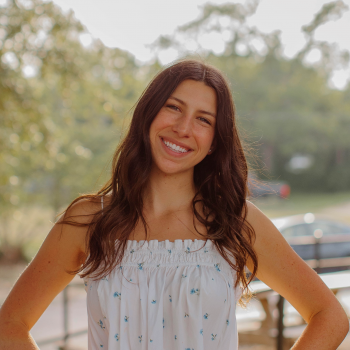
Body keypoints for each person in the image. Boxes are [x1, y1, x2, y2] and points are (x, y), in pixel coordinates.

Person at [0, 59, 348, 350]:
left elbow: (329, 316)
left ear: (214, 141)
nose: (183, 128)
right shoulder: (90, 220)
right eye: (173, 108)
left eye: (203, 119)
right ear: (148, 116)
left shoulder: (237, 223)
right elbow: (10, 325)